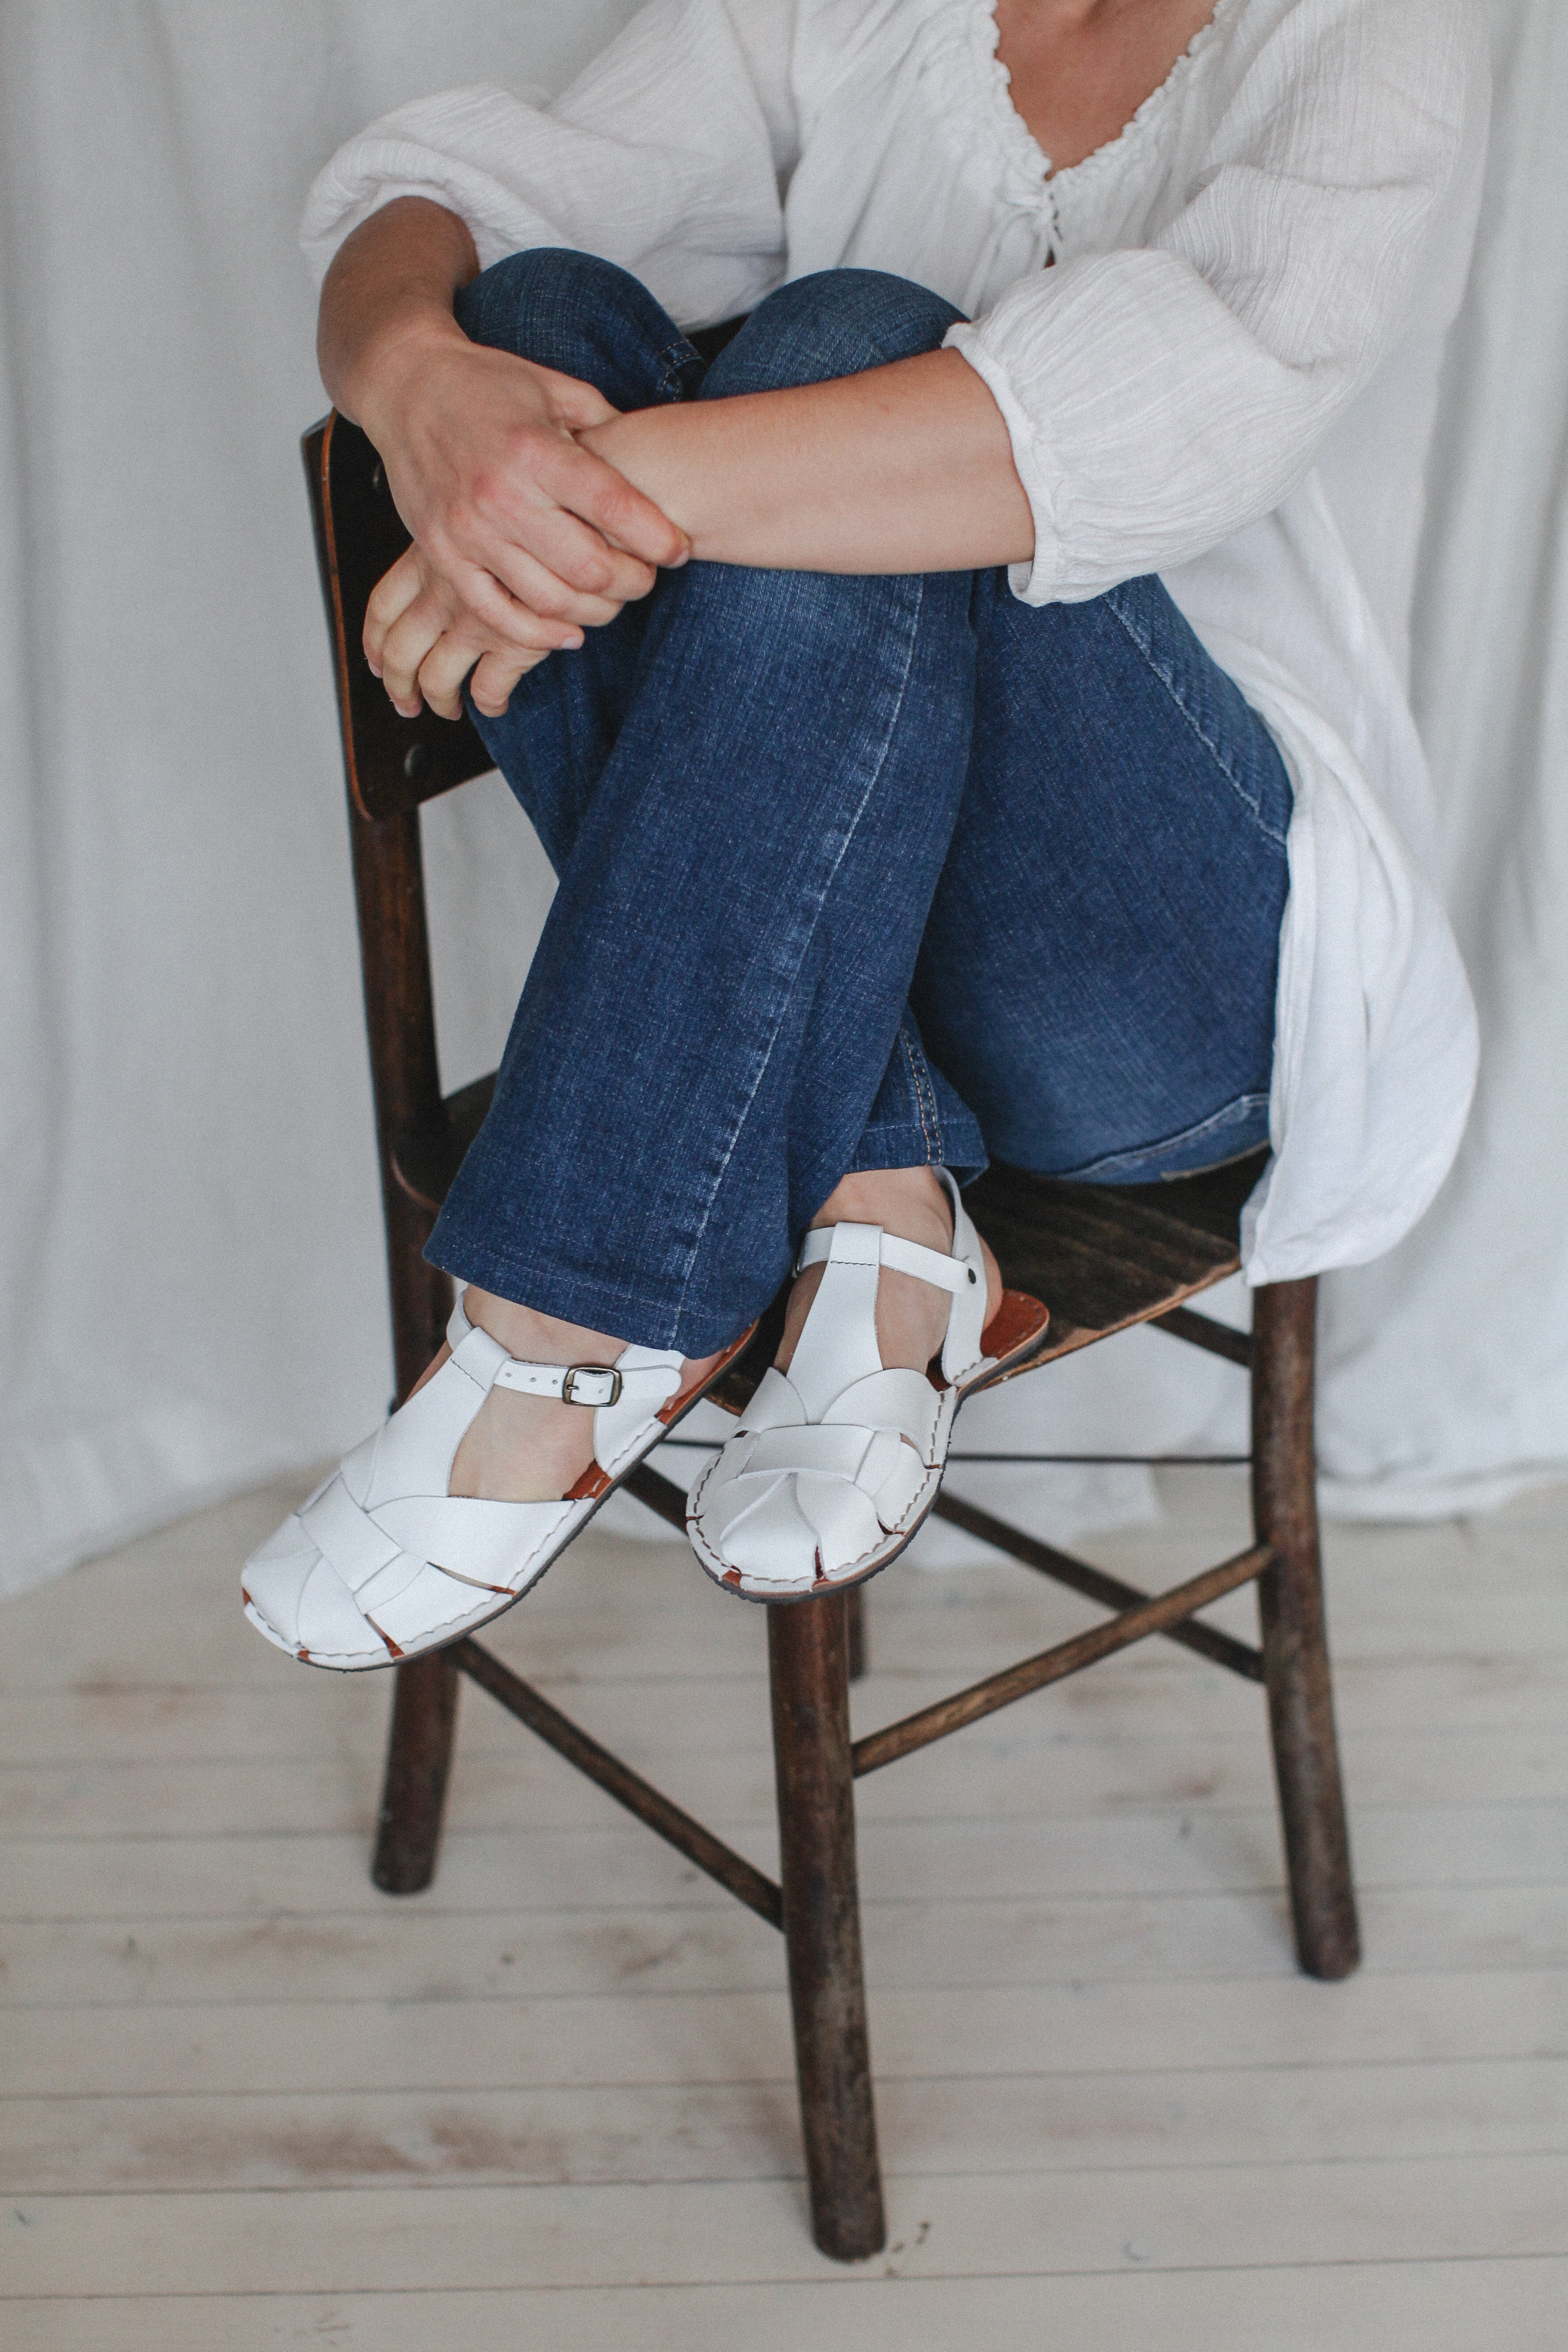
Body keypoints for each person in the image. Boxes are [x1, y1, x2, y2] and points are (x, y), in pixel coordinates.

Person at [242, 0, 1487, 1670]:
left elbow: (1147, 415)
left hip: (1177, 980)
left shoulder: (1369, 31)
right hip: (850, 945)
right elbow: (447, 200)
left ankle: (574, 1313)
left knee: (852, 341)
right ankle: (880, 1191)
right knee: (538, 317)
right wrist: (421, 391)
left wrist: (546, 504)